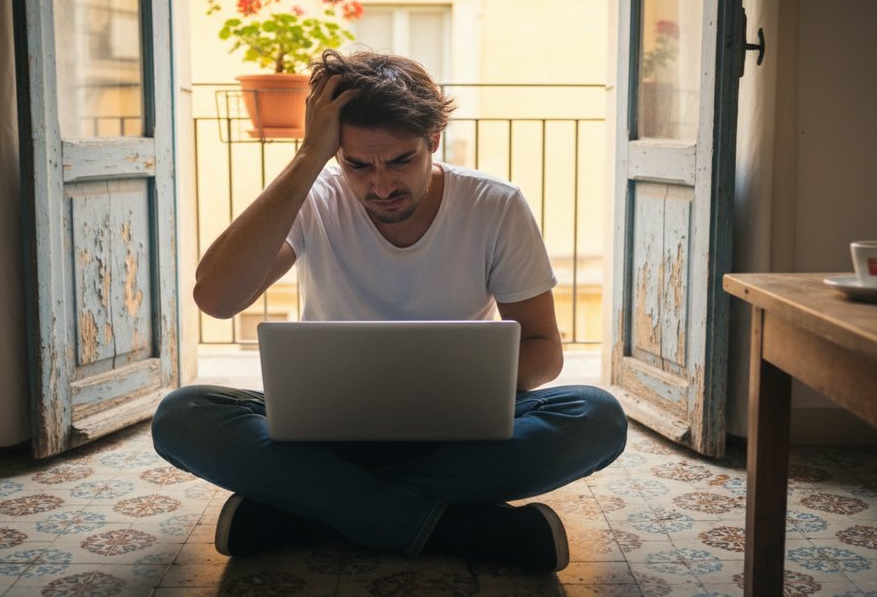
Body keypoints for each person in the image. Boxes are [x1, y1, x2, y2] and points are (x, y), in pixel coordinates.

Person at [152, 49, 627, 572]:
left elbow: (544, 352)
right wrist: (308, 158)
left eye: (400, 160)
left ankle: (312, 510)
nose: (381, 185)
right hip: (329, 434)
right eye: (358, 164)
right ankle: (458, 528)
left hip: (456, 434)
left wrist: (453, 381)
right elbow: (216, 300)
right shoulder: (313, 196)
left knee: (596, 417)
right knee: (182, 417)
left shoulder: (494, 205)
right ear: (335, 154)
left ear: (433, 142)